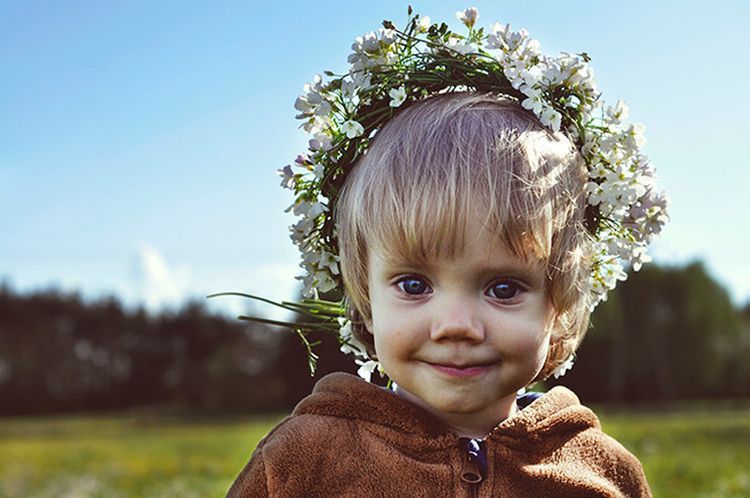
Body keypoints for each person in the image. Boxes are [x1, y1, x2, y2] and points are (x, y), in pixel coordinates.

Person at [228, 7, 665, 497]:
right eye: (414, 284)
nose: (455, 324)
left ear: (558, 305)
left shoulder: (601, 475)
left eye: (503, 288)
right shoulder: (302, 464)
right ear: (366, 301)